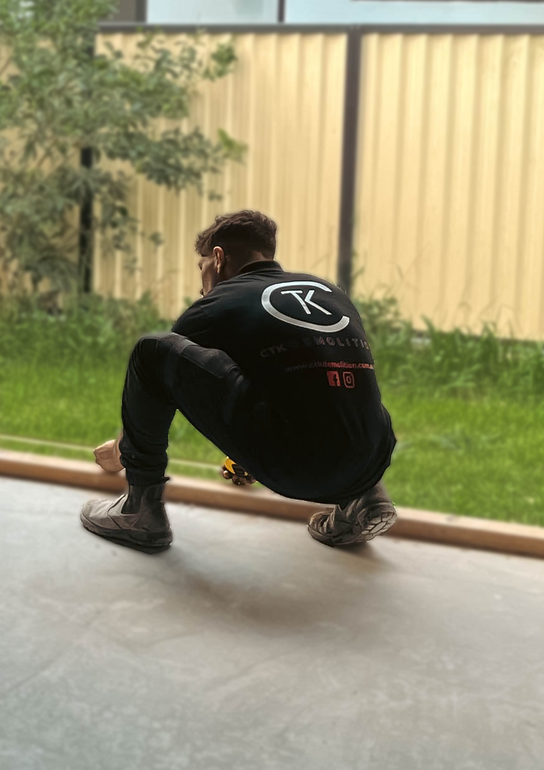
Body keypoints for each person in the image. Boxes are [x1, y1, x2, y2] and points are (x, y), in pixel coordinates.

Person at [81, 208, 397, 553]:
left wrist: (120, 453)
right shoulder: (328, 293)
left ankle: (140, 511)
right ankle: (364, 500)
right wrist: (248, 454)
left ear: (218, 258)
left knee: (152, 350)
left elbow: (165, 379)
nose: (200, 284)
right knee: (334, 376)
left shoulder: (217, 303)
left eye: (200, 267)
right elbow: (301, 384)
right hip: (372, 459)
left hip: (301, 469)